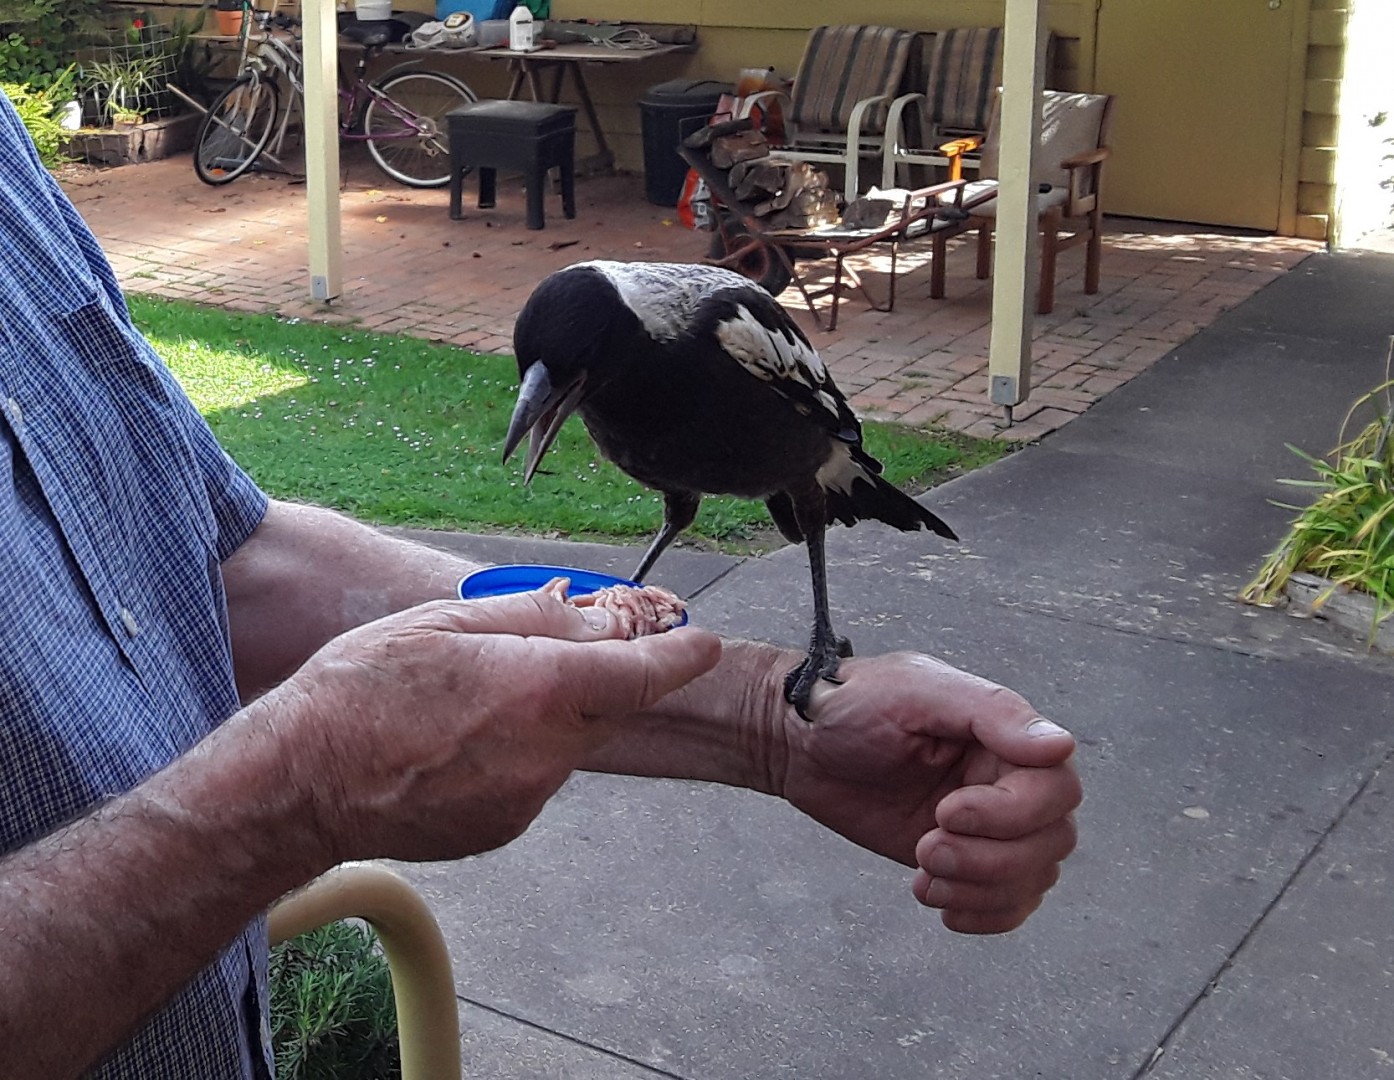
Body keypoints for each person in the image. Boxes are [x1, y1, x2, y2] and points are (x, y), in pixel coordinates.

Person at [0, 89, 1081, 1079]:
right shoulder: (625, 351)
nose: (545, 408)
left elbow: (218, 557)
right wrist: (291, 800)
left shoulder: (720, 323)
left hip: (808, 463)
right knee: (679, 509)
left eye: (563, 386)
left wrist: (769, 716)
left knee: (807, 503)